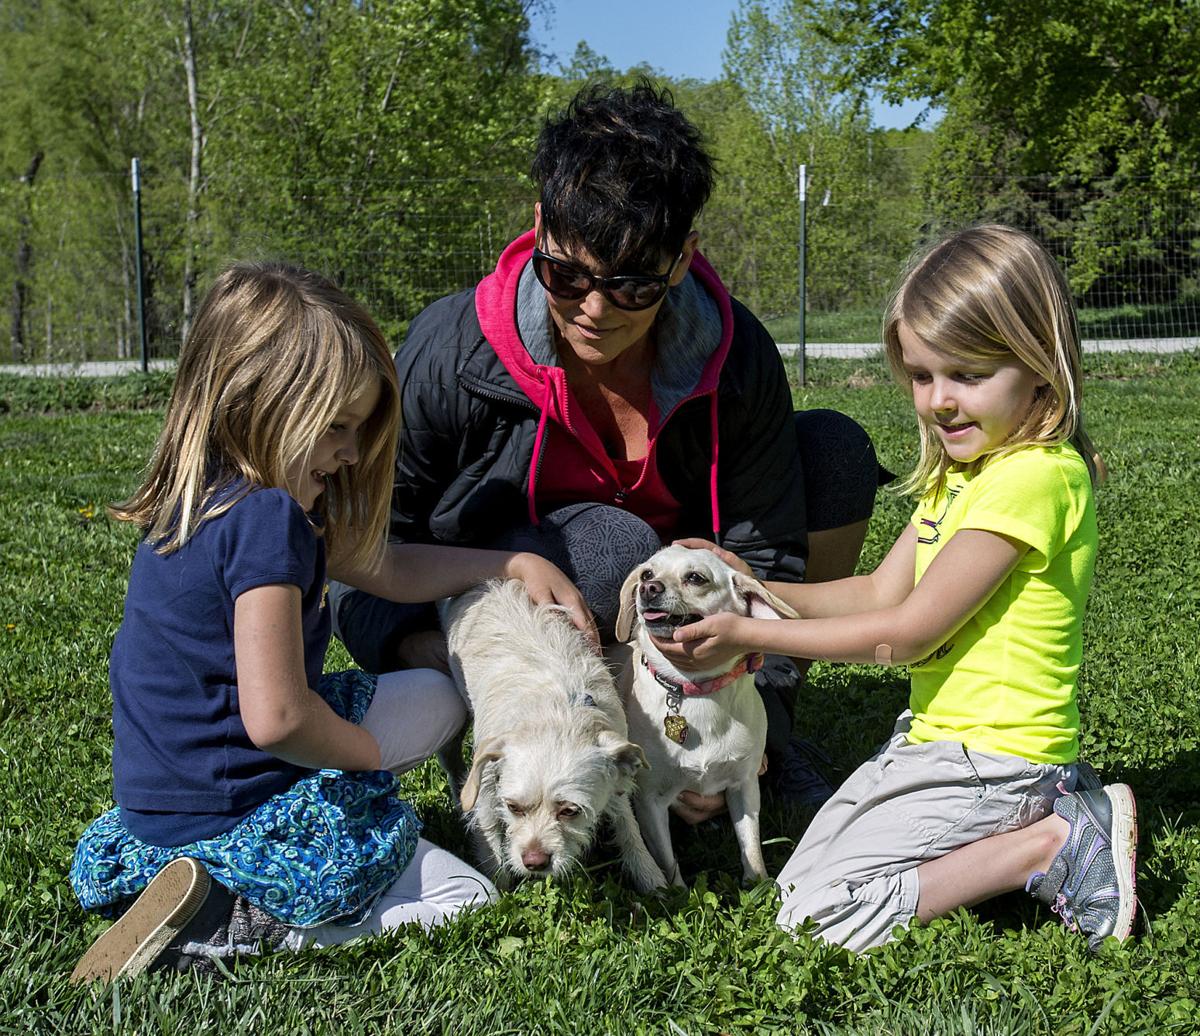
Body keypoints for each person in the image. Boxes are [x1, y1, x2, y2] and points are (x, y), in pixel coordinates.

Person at [329, 82, 889, 816]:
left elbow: (765, 554)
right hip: (519, 598)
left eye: (632, 286)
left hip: (678, 600)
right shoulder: (450, 352)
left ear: (683, 260)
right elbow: (358, 546)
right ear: (539, 226)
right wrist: (417, 649)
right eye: (566, 274)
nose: (593, 309)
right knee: (613, 547)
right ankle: (600, 745)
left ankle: (740, 736)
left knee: (836, 451)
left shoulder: (737, 351)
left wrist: (761, 720)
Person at [69, 262, 594, 982]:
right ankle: (237, 919)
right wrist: (362, 760)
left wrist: (508, 564)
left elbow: (389, 567)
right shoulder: (269, 520)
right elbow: (279, 719)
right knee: (464, 896)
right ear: (261, 405)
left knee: (438, 694)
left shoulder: (207, 498)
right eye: (337, 428)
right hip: (239, 806)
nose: (351, 452)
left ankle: (188, 883)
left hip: (164, 799)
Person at [663, 224, 1137, 952]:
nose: (939, 401)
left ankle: (1049, 842)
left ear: (1039, 363)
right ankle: (1034, 823)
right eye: (921, 376)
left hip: (996, 761)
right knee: (796, 889)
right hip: (936, 745)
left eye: (968, 375)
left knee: (815, 919)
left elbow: (908, 633)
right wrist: (748, 581)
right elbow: (878, 594)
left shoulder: (1034, 478)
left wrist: (750, 633)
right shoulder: (965, 476)